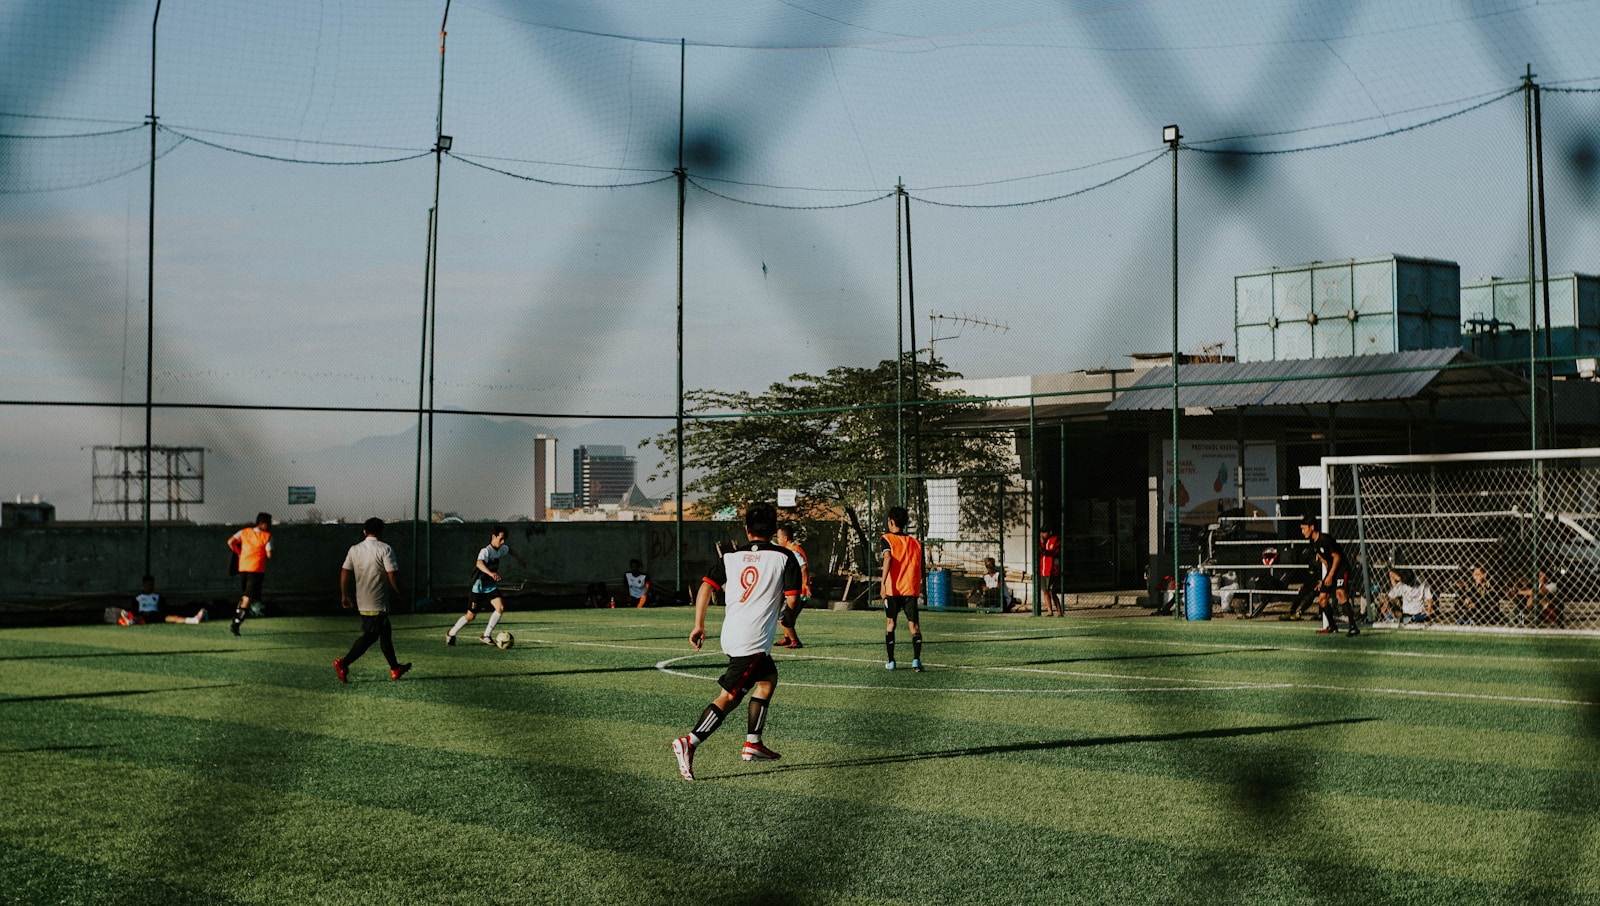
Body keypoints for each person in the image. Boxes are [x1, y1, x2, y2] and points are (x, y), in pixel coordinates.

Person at [670, 501, 800, 782]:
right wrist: (788, 617)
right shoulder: (785, 557)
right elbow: (792, 600)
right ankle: (689, 743)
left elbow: (706, 585)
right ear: (773, 528)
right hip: (753, 640)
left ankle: (753, 743)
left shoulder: (731, 556)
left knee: (767, 679)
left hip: (733, 633)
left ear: (746, 529)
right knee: (729, 697)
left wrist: (698, 624)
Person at [333, 517, 411, 683]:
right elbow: (392, 574)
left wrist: (344, 594)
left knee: (385, 633)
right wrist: (400, 593)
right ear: (382, 531)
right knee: (371, 636)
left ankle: (395, 668)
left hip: (362, 600)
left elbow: (344, 571)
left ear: (364, 531)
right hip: (378, 601)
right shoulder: (385, 549)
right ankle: (344, 663)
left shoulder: (354, 549)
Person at [446, 525, 528, 646]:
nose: (503, 542)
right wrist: (491, 573)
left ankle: (486, 635)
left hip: (490, 585)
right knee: (470, 616)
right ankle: (451, 633)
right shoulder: (486, 551)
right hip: (478, 586)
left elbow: (509, 549)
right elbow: (479, 563)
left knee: (500, 608)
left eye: (504, 539)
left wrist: (519, 559)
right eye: (501, 539)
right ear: (493, 536)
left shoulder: (501, 549)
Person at [881, 505, 926, 672]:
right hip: (911, 589)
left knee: (891, 623)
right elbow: (921, 567)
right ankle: (916, 660)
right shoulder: (916, 543)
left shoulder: (887, 538)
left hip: (893, 589)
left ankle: (891, 661)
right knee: (913, 626)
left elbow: (887, 558)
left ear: (891, 521)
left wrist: (883, 583)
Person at [1300, 514, 1359, 637]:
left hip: (1341, 568)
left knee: (1340, 594)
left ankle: (1353, 626)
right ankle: (1332, 625)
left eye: (1304, 528)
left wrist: (1331, 575)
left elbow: (1337, 557)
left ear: (1311, 527)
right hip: (1332, 570)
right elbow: (1325, 561)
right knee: (1322, 599)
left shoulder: (1325, 539)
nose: (1302, 532)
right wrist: (1325, 578)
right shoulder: (1313, 542)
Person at [226, 512, 273, 635]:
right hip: (256, 569)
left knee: (245, 596)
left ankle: (237, 616)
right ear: (262, 524)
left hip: (243, 568)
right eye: (269, 523)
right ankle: (236, 623)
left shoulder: (244, 532)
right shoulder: (266, 536)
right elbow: (269, 554)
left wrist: (239, 552)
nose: (270, 525)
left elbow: (230, 541)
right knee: (248, 597)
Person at [773, 524, 811, 648]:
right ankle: (787, 638)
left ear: (785, 538)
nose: (777, 541)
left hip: (799, 591)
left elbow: (803, 566)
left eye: (778, 538)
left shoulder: (793, 551)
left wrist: (805, 584)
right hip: (795, 590)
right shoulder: (792, 549)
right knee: (787, 616)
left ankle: (794, 641)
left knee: (783, 617)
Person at [123, 574, 208, 625]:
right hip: (144, 616)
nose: (151, 586)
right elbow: (134, 610)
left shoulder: (157, 596)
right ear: (144, 585)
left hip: (156, 616)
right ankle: (130, 622)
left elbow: (164, 608)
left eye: (152, 584)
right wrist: (141, 613)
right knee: (138, 619)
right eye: (148, 584)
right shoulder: (138, 598)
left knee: (174, 618)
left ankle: (193, 620)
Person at [1038, 528, 1063, 617]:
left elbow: (1053, 552)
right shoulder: (1041, 541)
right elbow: (1042, 551)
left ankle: (1059, 611)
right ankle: (1049, 611)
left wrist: (1044, 547)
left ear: (1050, 532)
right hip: (1043, 570)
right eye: (1042, 532)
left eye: (1044, 532)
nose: (1043, 534)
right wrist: (1042, 543)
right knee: (1045, 591)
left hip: (1051, 570)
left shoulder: (1055, 540)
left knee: (1052, 591)